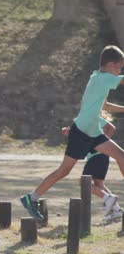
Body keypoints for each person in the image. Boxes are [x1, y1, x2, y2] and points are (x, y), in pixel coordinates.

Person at [21, 45, 124, 221]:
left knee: (121, 156)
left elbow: (105, 106)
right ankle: (31, 198)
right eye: (120, 66)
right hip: (82, 132)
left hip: (93, 132)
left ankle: (31, 197)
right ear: (110, 64)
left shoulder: (99, 78)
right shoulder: (103, 78)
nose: (120, 70)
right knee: (64, 170)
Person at [61, 113, 122, 221]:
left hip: (97, 156)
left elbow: (111, 128)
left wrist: (102, 146)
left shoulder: (92, 116)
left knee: (84, 183)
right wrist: (70, 133)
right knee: (98, 184)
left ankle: (108, 198)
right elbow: (85, 137)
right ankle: (117, 210)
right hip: (99, 157)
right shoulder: (86, 119)